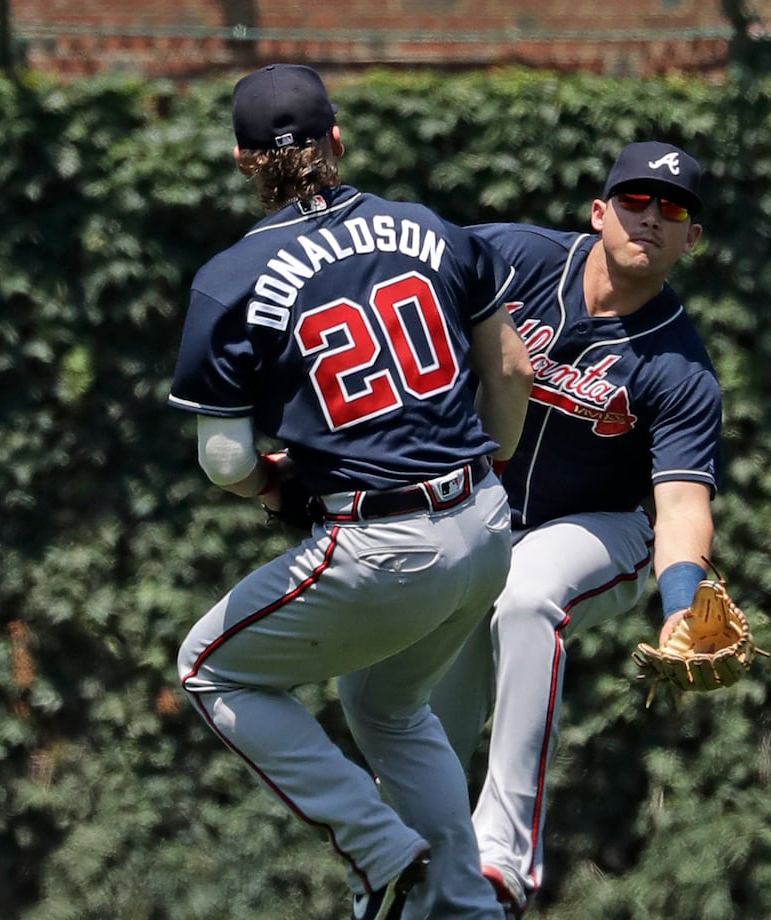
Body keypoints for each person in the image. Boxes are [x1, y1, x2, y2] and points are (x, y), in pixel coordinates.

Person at [167, 63, 532, 920]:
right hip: (483, 529)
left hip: (382, 546)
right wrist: (489, 477)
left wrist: (269, 489)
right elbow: (511, 369)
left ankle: (372, 847)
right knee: (387, 706)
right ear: (338, 139)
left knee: (210, 669)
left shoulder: (231, 277)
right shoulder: (432, 230)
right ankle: (462, 906)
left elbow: (223, 459)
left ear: (240, 160)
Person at [420, 141, 721, 918]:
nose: (650, 218)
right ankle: (409, 879)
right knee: (423, 744)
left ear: (692, 240)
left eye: (673, 210)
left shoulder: (680, 367)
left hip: (601, 532)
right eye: (634, 201)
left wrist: (682, 602)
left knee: (526, 596)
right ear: (598, 211)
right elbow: (407, 271)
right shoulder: (513, 259)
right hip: (481, 524)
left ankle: (505, 855)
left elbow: (681, 503)